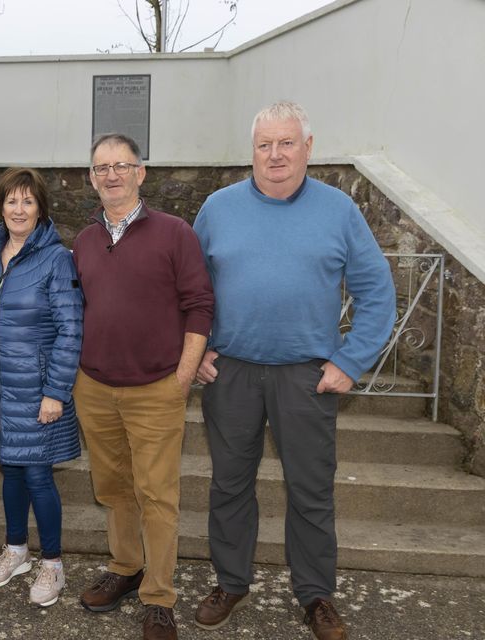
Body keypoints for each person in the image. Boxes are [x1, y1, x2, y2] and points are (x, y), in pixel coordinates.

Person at [191, 101, 396, 640]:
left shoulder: (339, 211)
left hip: (308, 377)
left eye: (286, 143)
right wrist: (198, 350)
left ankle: (315, 595)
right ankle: (231, 583)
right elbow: (188, 290)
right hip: (230, 372)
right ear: (252, 151)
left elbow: (377, 291)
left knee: (310, 490)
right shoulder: (217, 208)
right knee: (229, 486)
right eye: (264, 144)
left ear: (308, 147)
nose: (275, 154)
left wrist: (350, 362)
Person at [73, 133, 214, 640]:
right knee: (113, 489)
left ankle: (158, 597)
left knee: (157, 495)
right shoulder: (84, 240)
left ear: (141, 173)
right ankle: (126, 567)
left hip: (156, 387)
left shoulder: (175, 233)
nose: (111, 174)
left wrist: (182, 375)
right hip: (94, 387)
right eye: (101, 167)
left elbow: (200, 304)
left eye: (121, 165)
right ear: (91, 177)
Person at [0, 167, 83, 607]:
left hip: (37, 389)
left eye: (28, 201)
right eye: (11, 201)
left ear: (41, 209)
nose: (19, 209)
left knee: (37, 475)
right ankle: (16, 549)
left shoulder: (57, 259)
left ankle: (52, 563)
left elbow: (71, 331)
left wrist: (55, 392)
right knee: (10, 468)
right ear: (0, 207)